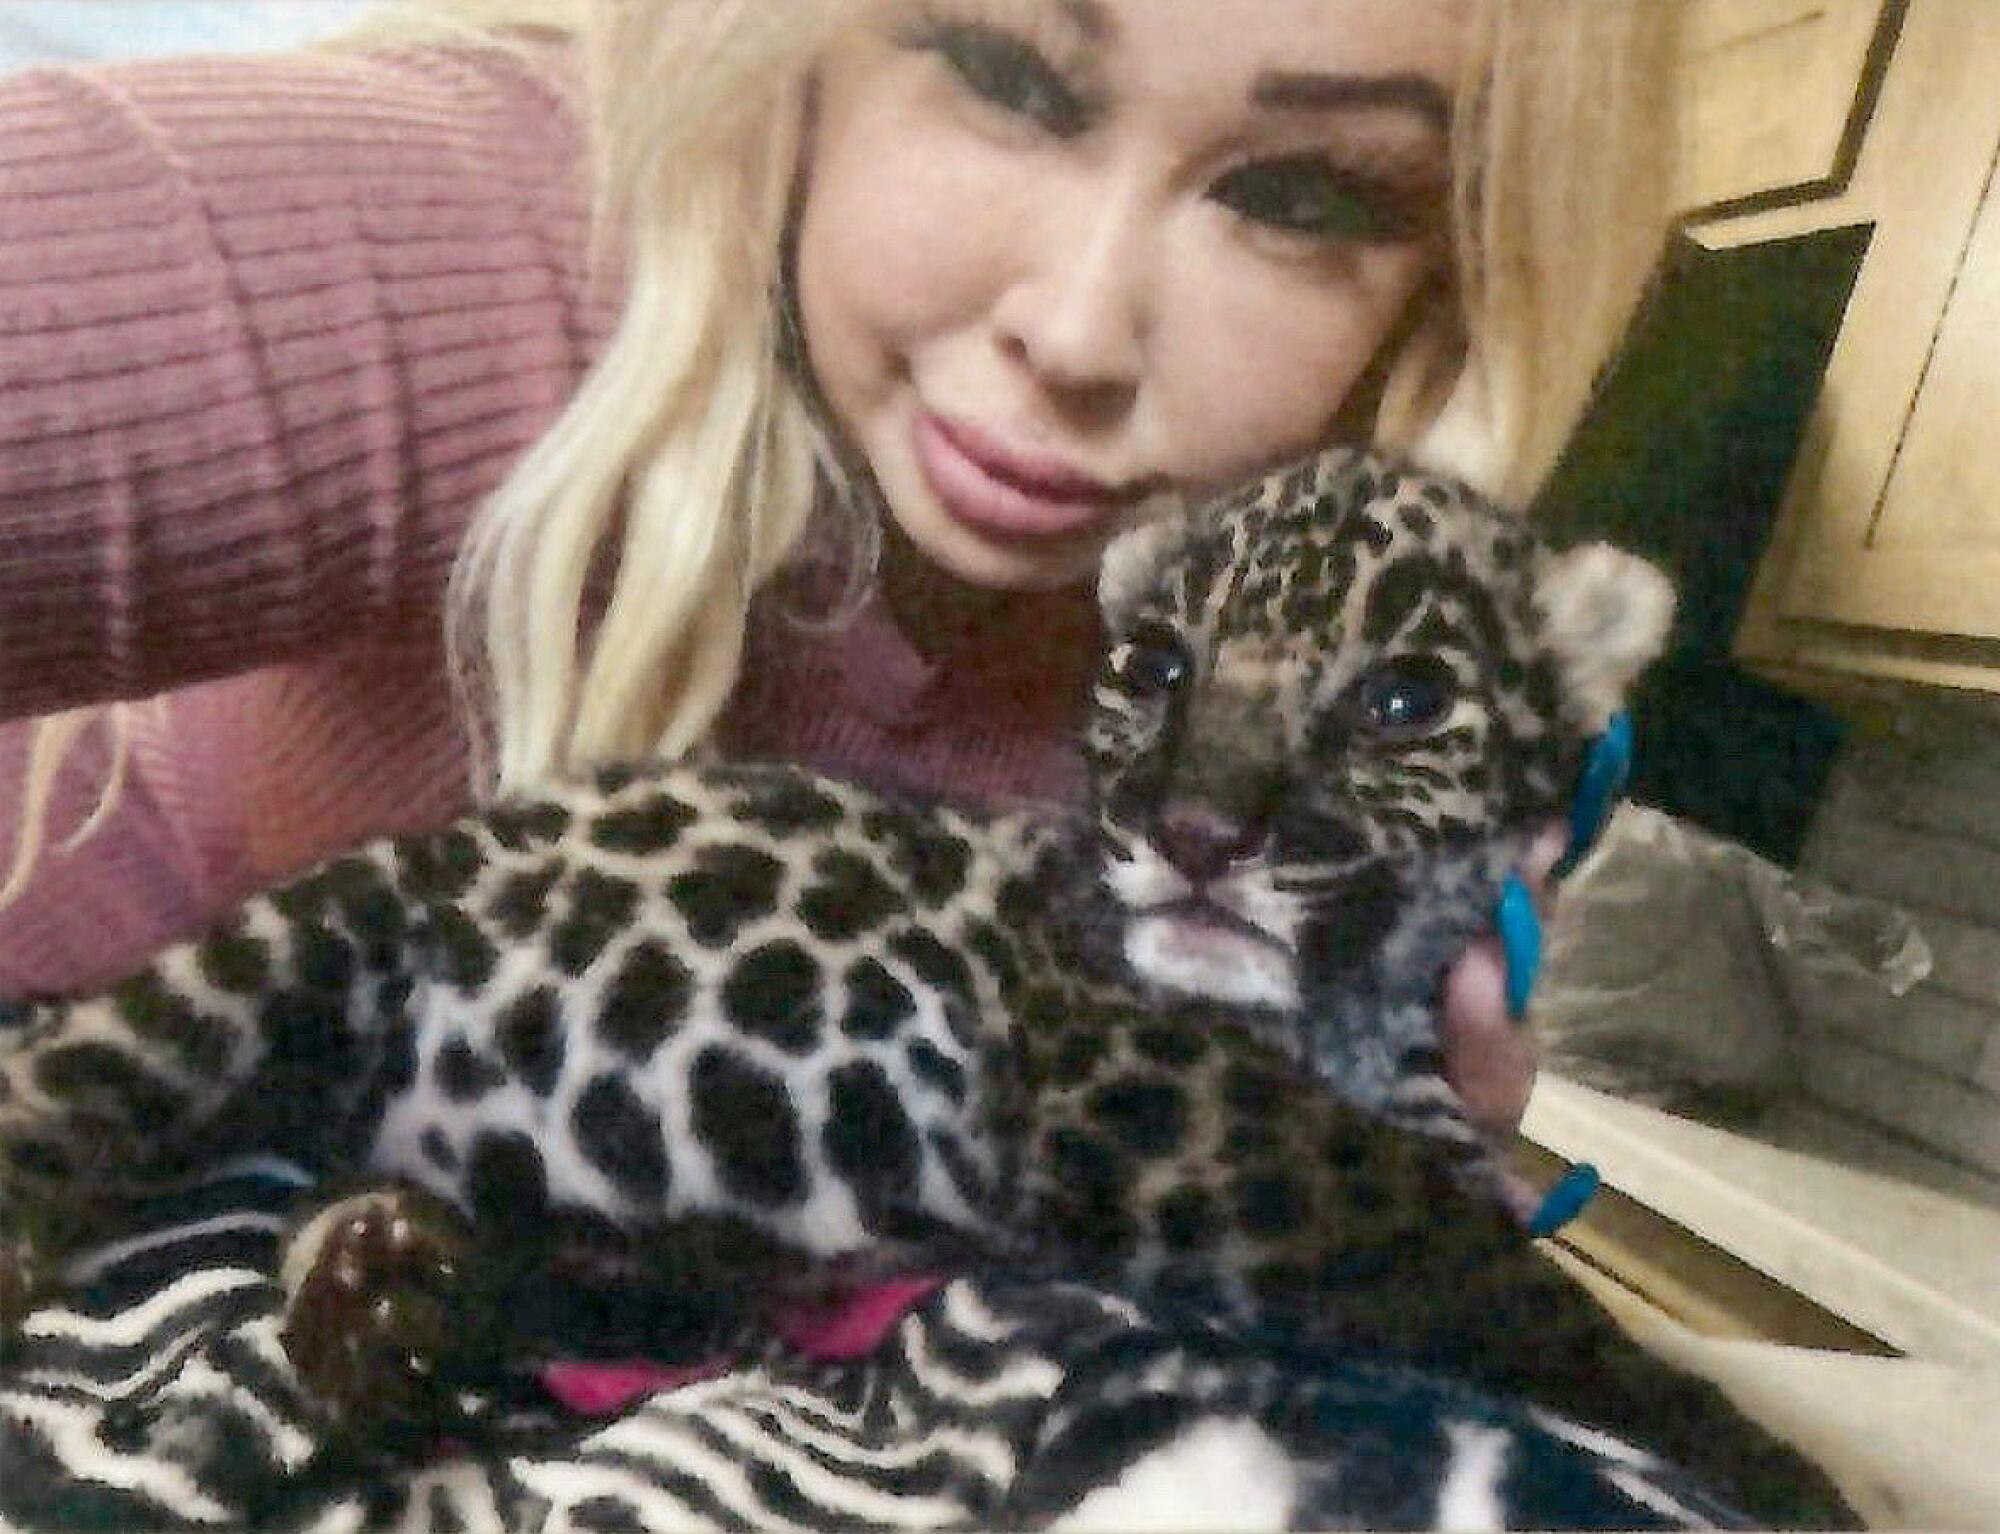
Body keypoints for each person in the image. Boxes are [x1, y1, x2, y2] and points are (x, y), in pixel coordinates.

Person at [0, 0, 1670, 1225]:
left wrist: (1352, 1199)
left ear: (1452, 272)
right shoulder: (489, 232)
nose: (1078, 332)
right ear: (801, 50)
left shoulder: (1326, 633)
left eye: (1304, 198)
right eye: (1011, 75)